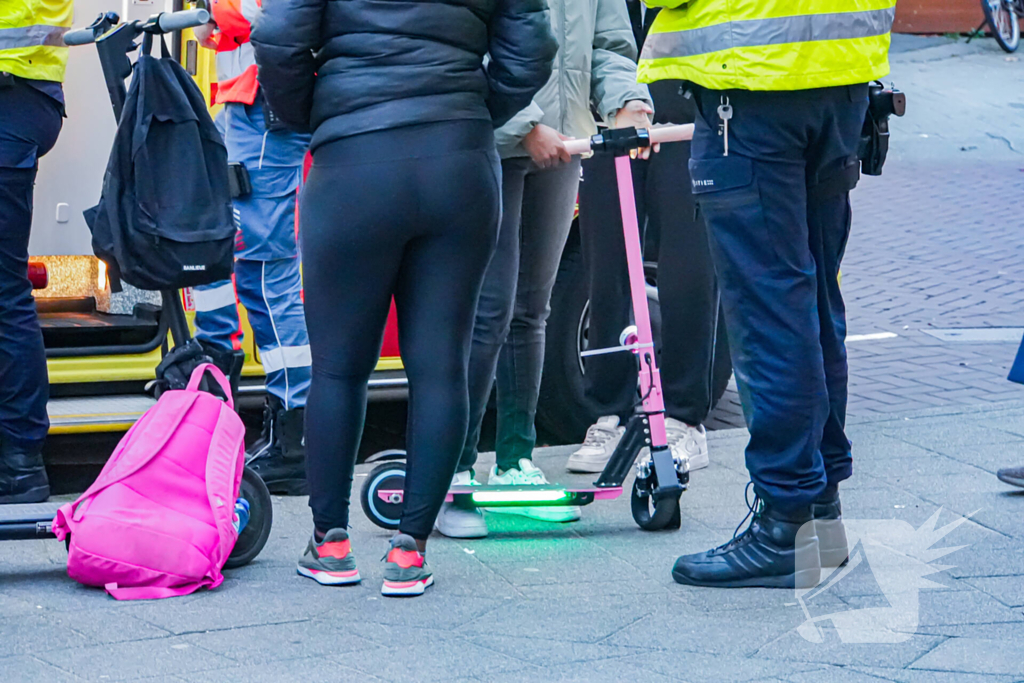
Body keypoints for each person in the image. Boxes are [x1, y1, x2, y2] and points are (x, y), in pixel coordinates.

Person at [252, 0, 556, 595]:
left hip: (354, 161)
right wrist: (470, 110)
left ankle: (332, 544)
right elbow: (532, 48)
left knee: (338, 368)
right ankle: (410, 551)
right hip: (460, 160)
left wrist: (314, 114)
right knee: (442, 365)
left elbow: (278, 34)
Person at [637, 0, 896, 587]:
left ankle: (786, 523)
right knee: (813, 302)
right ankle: (820, 513)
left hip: (750, 86)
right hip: (842, 80)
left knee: (770, 312)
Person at [434, 0, 655, 540]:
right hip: (488, 139)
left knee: (532, 309)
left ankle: (514, 462)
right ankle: (451, 475)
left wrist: (627, 101)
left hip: (563, 141)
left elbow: (609, 44)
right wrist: (525, 123)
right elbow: (460, 42)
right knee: (487, 310)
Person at [567, 0, 716, 477]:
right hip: (606, 102)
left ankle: (683, 419)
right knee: (604, 263)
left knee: (686, 261)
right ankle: (607, 412)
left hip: (683, 96)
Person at [191, 0, 313, 496]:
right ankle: (232, 394)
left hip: (266, 106)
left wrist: (212, 12)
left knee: (265, 272)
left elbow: (261, 14)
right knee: (230, 259)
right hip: (250, 105)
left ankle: (294, 439)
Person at [0, 0, 72, 504]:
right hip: (25, 98)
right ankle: (20, 458)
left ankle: (22, 462)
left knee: (3, 290)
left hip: (13, 95)